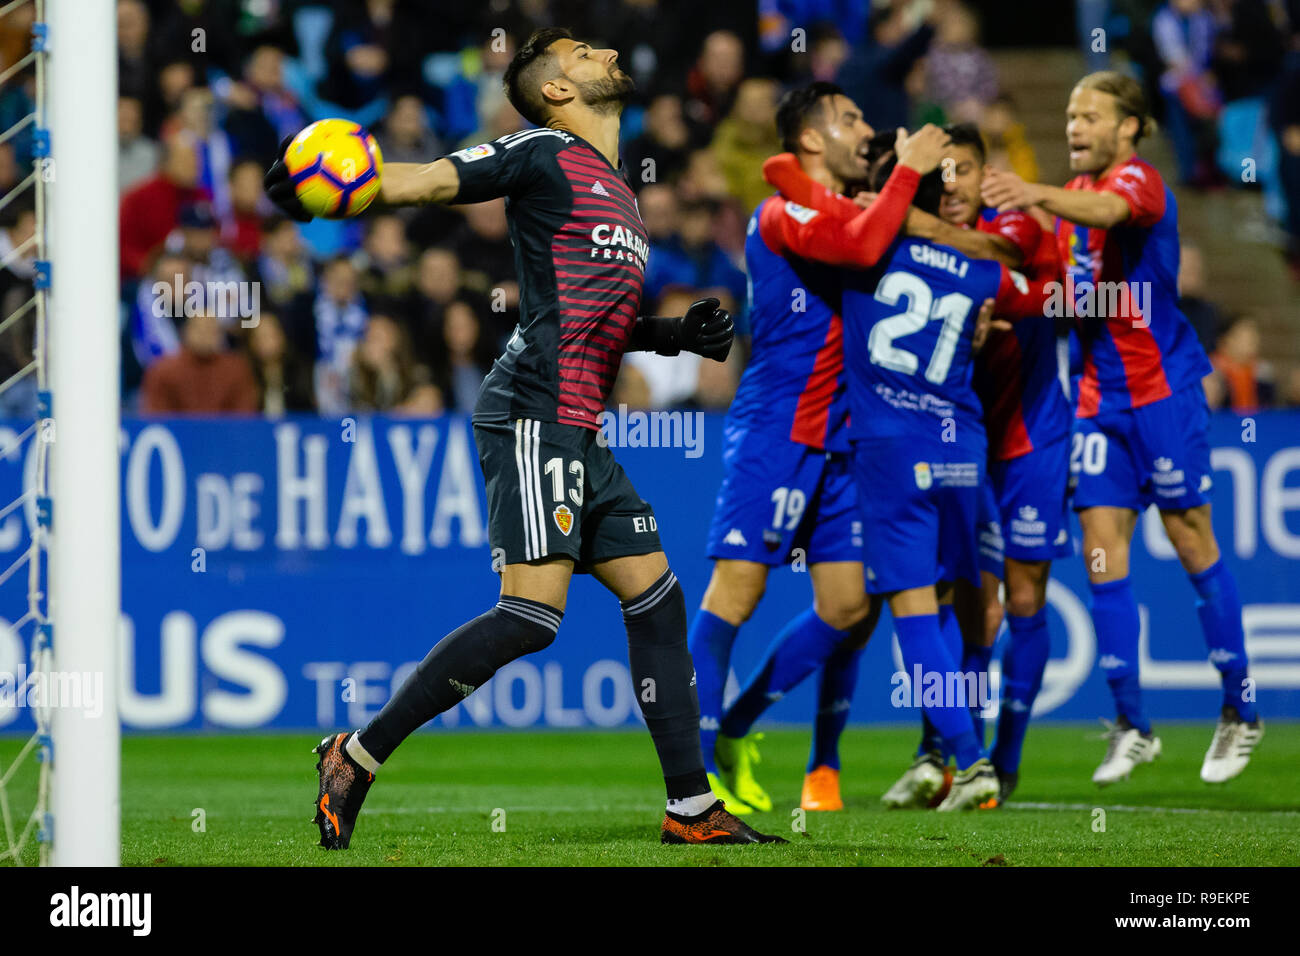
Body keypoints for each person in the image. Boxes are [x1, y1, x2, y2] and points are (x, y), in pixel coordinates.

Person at [266, 27, 780, 848]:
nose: (607, 52)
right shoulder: (541, 150)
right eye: (580, 53)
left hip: (578, 420)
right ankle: (355, 755)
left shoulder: (617, 185)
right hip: (534, 408)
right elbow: (433, 182)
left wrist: (671, 334)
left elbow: (583, 318)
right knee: (533, 617)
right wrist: (330, 188)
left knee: (657, 593)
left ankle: (691, 808)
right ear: (556, 90)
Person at [982, 70, 1262, 785]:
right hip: (1097, 402)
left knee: (1190, 536)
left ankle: (1240, 708)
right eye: (1069, 114)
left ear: (1130, 127)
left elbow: (1111, 210)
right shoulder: (1073, 211)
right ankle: (1133, 723)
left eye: (1090, 115)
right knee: (1102, 552)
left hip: (1163, 396)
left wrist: (1035, 194)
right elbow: (1074, 292)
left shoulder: (1138, 184)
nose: (1074, 126)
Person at [689, 82, 949, 814]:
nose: (865, 127)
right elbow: (863, 242)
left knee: (846, 606)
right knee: (735, 595)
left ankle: (737, 728)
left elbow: (874, 226)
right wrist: (907, 168)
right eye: (851, 118)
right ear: (809, 139)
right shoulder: (783, 210)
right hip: (776, 430)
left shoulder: (835, 202)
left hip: (840, 443)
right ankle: (696, 775)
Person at [779, 136, 1052, 810]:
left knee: (913, 617)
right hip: (965, 452)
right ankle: (951, 753)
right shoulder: (985, 272)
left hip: (892, 451)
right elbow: (1048, 292)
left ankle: (971, 761)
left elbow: (785, 181)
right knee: (973, 611)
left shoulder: (871, 246)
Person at [877, 123, 1072, 808]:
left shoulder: (1018, 222)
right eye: (942, 171)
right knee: (961, 607)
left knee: (1018, 602)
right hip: (957, 441)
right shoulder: (917, 248)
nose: (952, 182)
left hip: (1028, 441)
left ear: (985, 174)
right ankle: (946, 754)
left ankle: (1003, 758)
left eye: (964, 169)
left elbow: (999, 258)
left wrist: (907, 215)